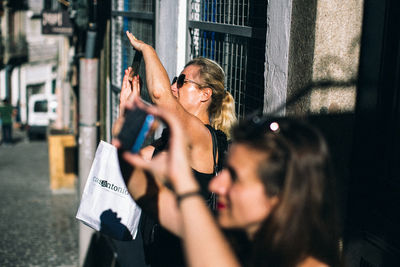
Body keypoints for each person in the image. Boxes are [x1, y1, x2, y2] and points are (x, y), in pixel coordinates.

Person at [119, 101, 341, 267]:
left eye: (234, 177)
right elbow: (150, 198)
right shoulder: (236, 235)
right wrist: (124, 145)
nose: (216, 185)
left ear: (281, 197)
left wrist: (184, 183)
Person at [114, 31, 237, 266]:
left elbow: (160, 95)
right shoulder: (170, 140)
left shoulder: (204, 137)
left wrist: (147, 50)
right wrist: (125, 113)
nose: (173, 86)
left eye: (181, 81)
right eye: (173, 79)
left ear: (205, 94)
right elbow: (128, 162)